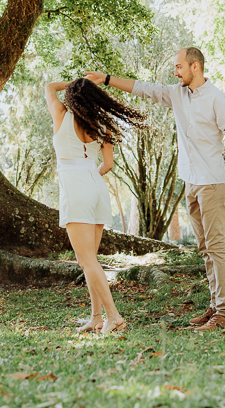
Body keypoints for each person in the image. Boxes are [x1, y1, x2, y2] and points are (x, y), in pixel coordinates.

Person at [86, 47, 225, 332]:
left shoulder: (217, 98)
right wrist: (108, 79)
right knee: (206, 249)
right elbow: (144, 89)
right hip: (192, 182)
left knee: (217, 247)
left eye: (179, 67)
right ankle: (215, 306)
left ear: (195, 67)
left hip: (212, 181)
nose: (175, 72)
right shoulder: (177, 94)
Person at [45, 77, 147, 335]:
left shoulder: (60, 113)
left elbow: (48, 87)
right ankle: (96, 317)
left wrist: (74, 82)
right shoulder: (103, 125)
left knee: (86, 260)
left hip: (76, 188)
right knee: (90, 260)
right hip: (96, 186)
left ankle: (115, 318)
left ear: (72, 98)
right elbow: (108, 165)